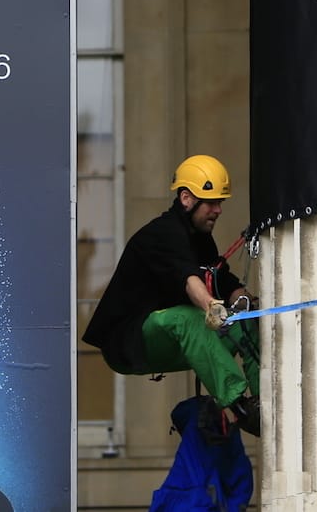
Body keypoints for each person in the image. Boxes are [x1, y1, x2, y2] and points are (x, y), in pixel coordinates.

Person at [82, 154, 261, 436]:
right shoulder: (161, 234)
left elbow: (219, 277)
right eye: (211, 202)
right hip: (129, 343)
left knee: (247, 322)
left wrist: (249, 301)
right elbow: (189, 279)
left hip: (174, 340)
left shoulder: (199, 237)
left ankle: (265, 405)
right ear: (187, 198)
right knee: (188, 317)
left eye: (220, 202)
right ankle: (238, 407)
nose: (218, 210)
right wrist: (212, 306)